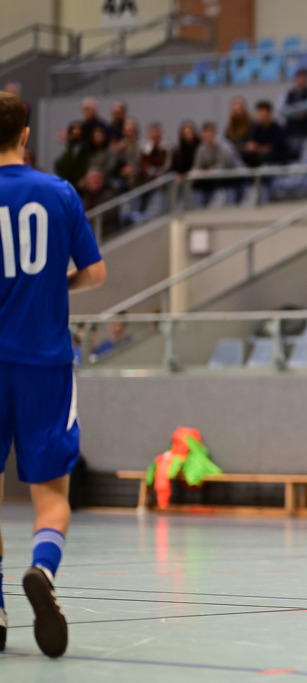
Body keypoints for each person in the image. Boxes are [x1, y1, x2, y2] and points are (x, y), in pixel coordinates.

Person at [0, 91, 107, 658]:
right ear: (26, 135)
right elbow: (96, 273)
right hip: (44, 362)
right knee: (52, 495)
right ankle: (42, 569)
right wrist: (56, 284)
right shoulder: (59, 192)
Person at [277, 67, 307, 158]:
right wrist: (297, 113)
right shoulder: (288, 94)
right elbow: (280, 110)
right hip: (291, 133)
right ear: (295, 79)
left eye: (304, 78)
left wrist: (292, 108)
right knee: (291, 157)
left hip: (306, 133)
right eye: (300, 77)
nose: (302, 80)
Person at [242, 101, 289, 168]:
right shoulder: (257, 128)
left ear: (269, 112)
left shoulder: (277, 128)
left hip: (275, 157)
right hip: (259, 154)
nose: (260, 114)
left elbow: (276, 147)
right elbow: (253, 143)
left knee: (264, 156)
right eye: (259, 112)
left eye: (262, 111)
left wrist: (259, 148)